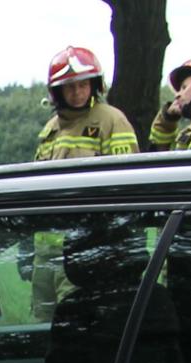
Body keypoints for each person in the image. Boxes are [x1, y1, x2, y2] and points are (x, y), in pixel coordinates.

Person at [30, 46, 141, 318]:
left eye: (83, 85)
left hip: (86, 250)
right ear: (57, 91)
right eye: (69, 87)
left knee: (77, 319)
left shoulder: (111, 120)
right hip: (47, 252)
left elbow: (127, 186)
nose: (77, 92)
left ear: (95, 85)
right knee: (41, 325)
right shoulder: (50, 130)